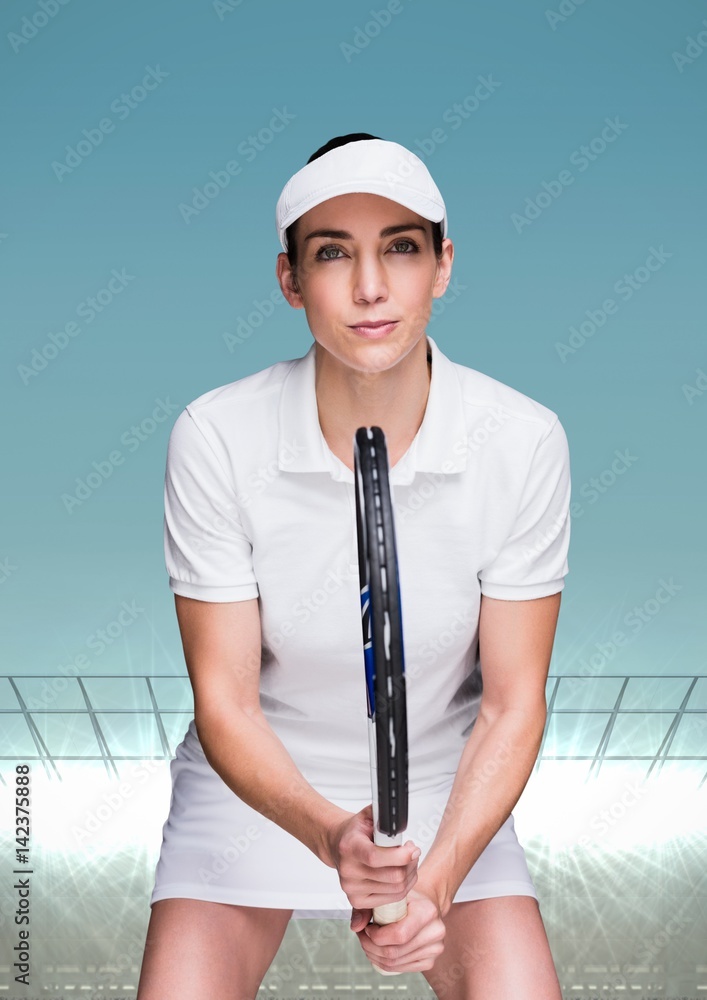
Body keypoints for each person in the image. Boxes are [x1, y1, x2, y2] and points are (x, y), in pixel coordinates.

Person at [136, 133, 570, 1000]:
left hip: (451, 797)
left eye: (400, 249)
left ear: (441, 266)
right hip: (255, 789)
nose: (370, 287)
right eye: (333, 254)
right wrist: (332, 832)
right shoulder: (216, 436)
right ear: (290, 280)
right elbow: (224, 702)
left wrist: (435, 883)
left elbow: (514, 703)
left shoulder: (524, 440)